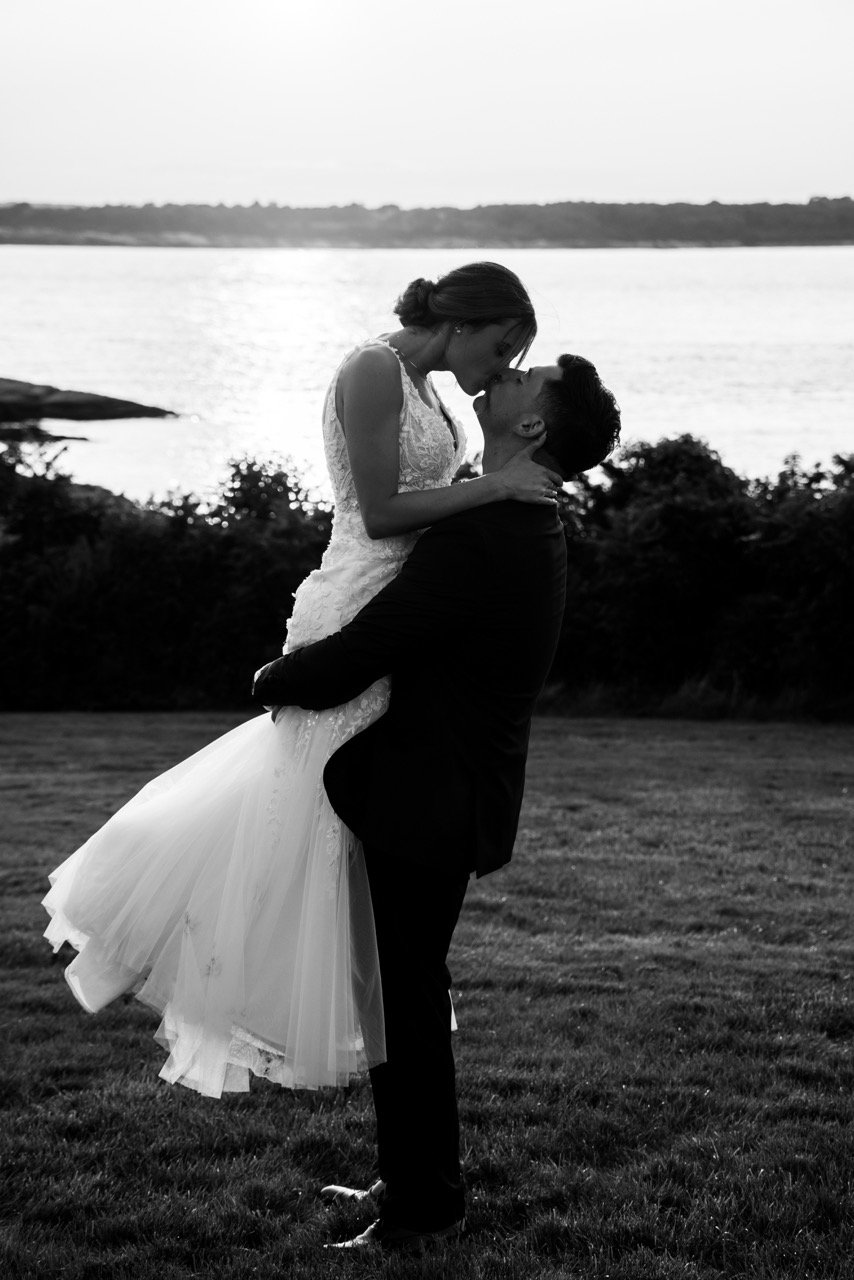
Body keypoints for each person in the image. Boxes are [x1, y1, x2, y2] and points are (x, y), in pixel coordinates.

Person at [42, 262, 562, 1099]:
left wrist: (486, 497)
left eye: (516, 360)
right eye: (504, 348)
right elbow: (384, 511)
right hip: (355, 608)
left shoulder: (427, 389)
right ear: (464, 324)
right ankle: (252, 973)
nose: (503, 370)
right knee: (310, 824)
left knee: (363, 837)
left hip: (401, 620)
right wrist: (495, 486)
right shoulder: (371, 369)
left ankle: (384, 1027)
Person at [250, 352, 622, 1252]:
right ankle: (413, 1178)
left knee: (404, 1003)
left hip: (430, 796)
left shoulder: (488, 530)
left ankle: (423, 1207)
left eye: (526, 378)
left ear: (534, 426)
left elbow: (379, 640)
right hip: (454, 789)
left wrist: (277, 677)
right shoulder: (513, 515)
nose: (503, 374)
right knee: (401, 995)